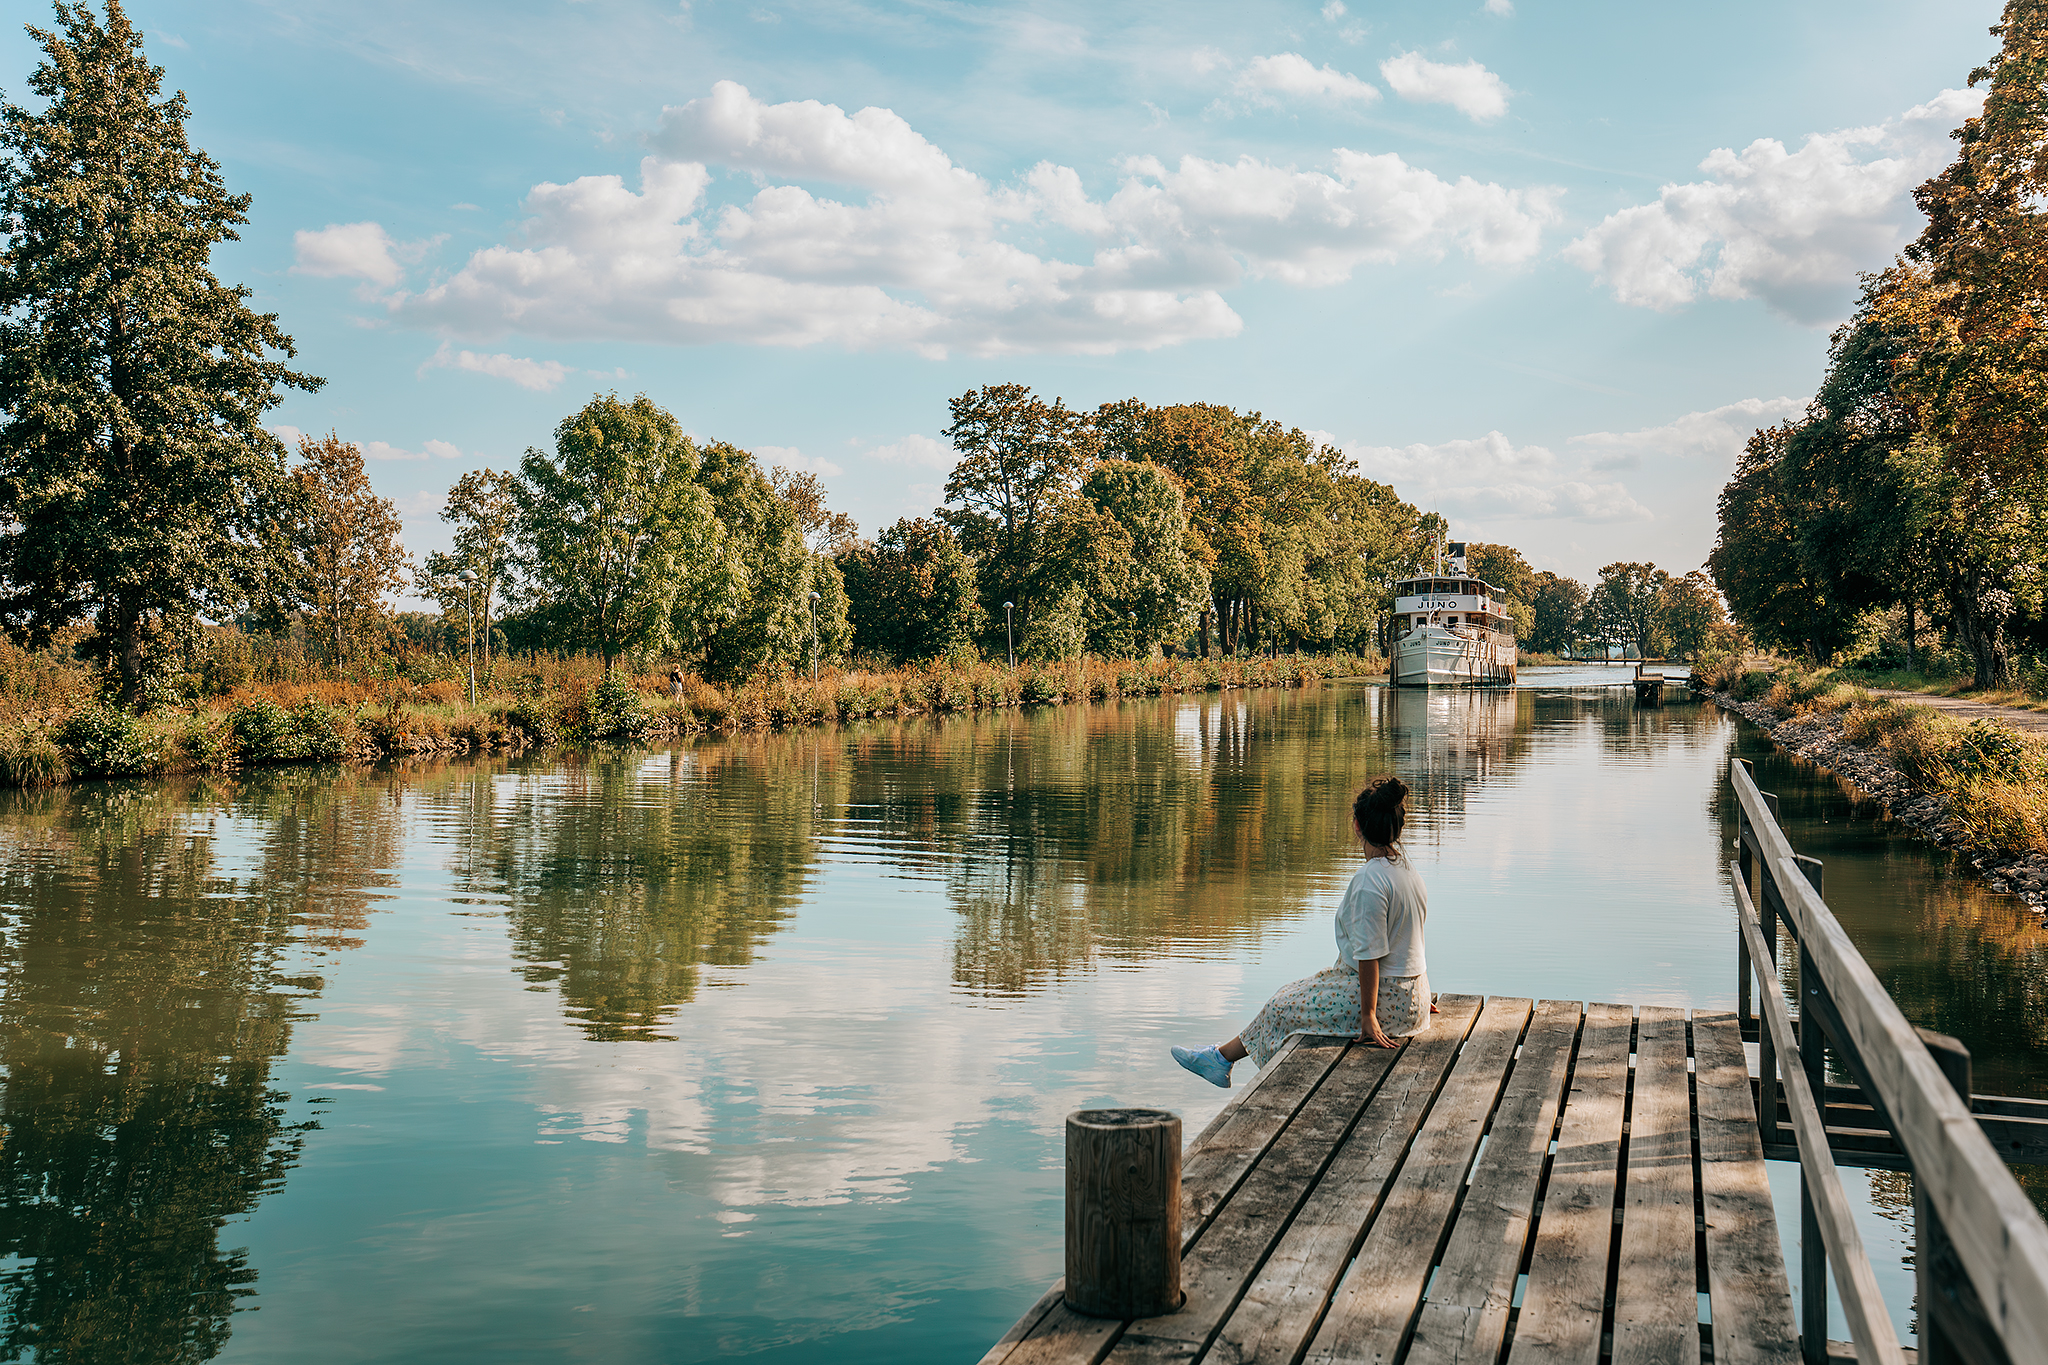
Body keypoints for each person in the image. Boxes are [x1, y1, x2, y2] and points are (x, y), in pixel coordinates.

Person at [1171, 776, 1433, 1088]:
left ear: (1357, 826)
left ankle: (1229, 1065)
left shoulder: (1370, 881)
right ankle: (1220, 1059)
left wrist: (1369, 1017)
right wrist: (1418, 990)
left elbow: (1370, 955)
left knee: (1280, 1009)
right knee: (1286, 994)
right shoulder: (1405, 868)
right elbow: (1411, 937)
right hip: (1410, 997)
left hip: (1389, 1004)